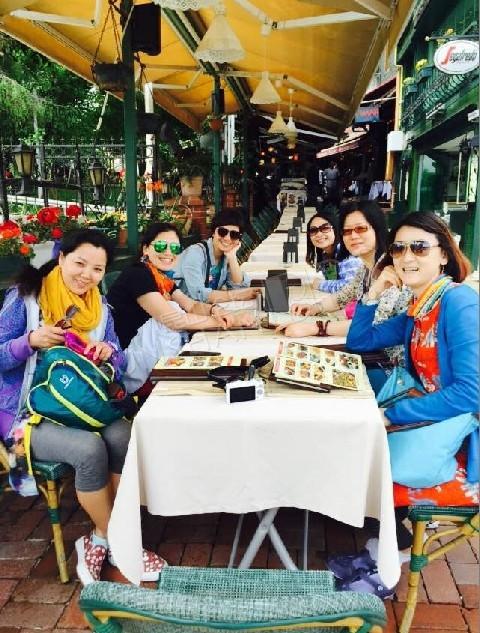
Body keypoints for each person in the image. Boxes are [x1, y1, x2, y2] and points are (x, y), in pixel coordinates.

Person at [0, 228, 166, 585]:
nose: (86, 275)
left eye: (97, 269)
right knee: (89, 449)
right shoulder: (26, 299)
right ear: (61, 258)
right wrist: (30, 341)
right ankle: (123, 545)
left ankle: (100, 537)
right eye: (80, 263)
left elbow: (118, 359)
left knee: (124, 436)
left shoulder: (99, 309)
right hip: (28, 411)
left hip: (84, 403)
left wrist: (109, 353)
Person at [330, 211, 479, 595]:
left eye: (419, 248)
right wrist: (373, 293)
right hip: (428, 419)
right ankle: (385, 550)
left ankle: (387, 564)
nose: (406, 257)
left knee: (368, 458)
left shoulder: (458, 302)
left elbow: (471, 392)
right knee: (357, 447)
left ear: (443, 254)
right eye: (398, 249)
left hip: (457, 433)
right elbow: (360, 341)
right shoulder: (419, 305)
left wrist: (391, 414)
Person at [107, 222, 256, 392]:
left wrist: (216, 310)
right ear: (146, 249)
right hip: (127, 365)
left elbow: (191, 305)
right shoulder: (138, 274)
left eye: (175, 248)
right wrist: (228, 321)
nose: (168, 253)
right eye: (161, 246)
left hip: (148, 354)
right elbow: (173, 320)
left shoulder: (162, 278)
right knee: (172, 313)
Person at [278, 201, 411, 349]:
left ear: (377, 228)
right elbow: (343, 296)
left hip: (385, 357)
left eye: (361, 229)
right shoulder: (366, 267)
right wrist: (315, 308)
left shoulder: (390, 269)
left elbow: (373, 323)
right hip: (372, 349)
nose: (353, 236)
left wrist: (317, 327)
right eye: (347, 231)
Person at [173, 209, 260, 303]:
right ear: (214, 232)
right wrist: (236, 295)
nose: (227, 238)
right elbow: (198, 294)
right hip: (177, 307)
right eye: (222, 232)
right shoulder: (195, 253)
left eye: (234, 235)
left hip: (202, 307)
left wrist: (232, 257)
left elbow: (240, 288)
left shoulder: (225, 256)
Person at [305, 209, 362, 293]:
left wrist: (320, 284)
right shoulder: (327, 254)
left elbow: (352, 288)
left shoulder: (347, 254)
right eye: (313, 230)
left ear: (336, 229)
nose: (319, 234)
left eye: (325, 228)